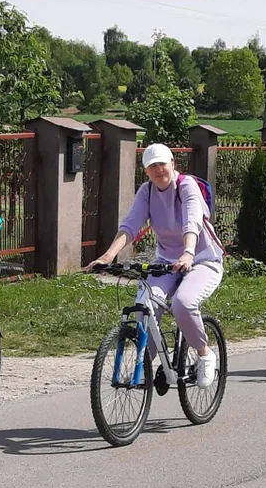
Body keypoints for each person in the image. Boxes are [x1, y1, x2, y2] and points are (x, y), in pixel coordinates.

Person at [84, 143, 224, 389]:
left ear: (172, 163)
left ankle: (204, 353)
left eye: (162, 164)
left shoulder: (186, 186)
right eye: (152, 166)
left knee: (183, 303)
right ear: (146, 171)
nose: (159, 170)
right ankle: (144, 364)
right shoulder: (147, 191)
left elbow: (192, 222)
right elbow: (130, 226)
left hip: (202, 259)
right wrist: (107, 257)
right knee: (143, 306)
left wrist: (188, 253)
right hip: (166, 263)